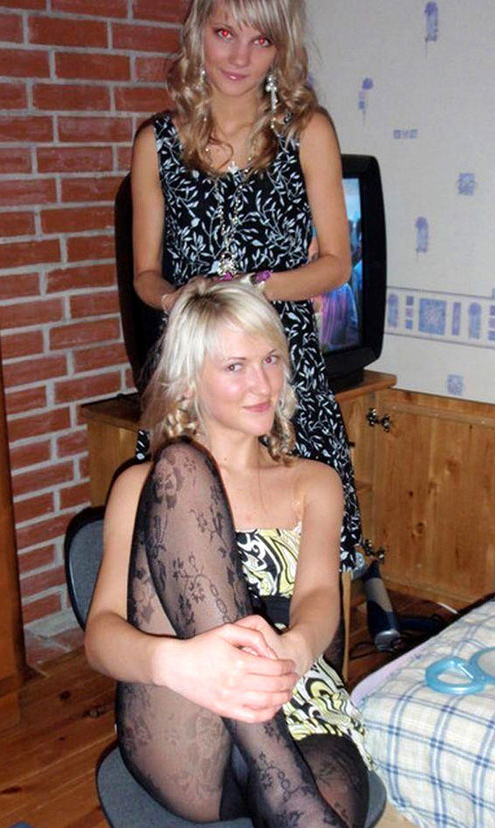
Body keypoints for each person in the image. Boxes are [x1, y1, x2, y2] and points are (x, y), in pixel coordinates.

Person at [86, 279, 423, 828]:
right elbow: (100, 636)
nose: (263, 382)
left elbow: (321, 599)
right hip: (185, 719)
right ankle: (296, 804)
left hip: (299, 705)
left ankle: (296, 810)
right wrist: (177, 663)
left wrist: (293, 649)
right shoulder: (143, 485)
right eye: (235, 366)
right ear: (190, 380)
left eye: (270, 358)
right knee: (181, 471)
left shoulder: (313, 482)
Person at [130, 0, 361, 576]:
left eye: (261, 41)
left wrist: (259, 288)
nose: (240, 56)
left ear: (280, 49)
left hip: (280, 366)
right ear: (198, 35)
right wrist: (177, 299)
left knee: (309, 556)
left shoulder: (308, 131)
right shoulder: (156, 142)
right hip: (198, 368)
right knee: (186, 548)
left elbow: (336, 264)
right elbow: (144, 275)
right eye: (225, 33)